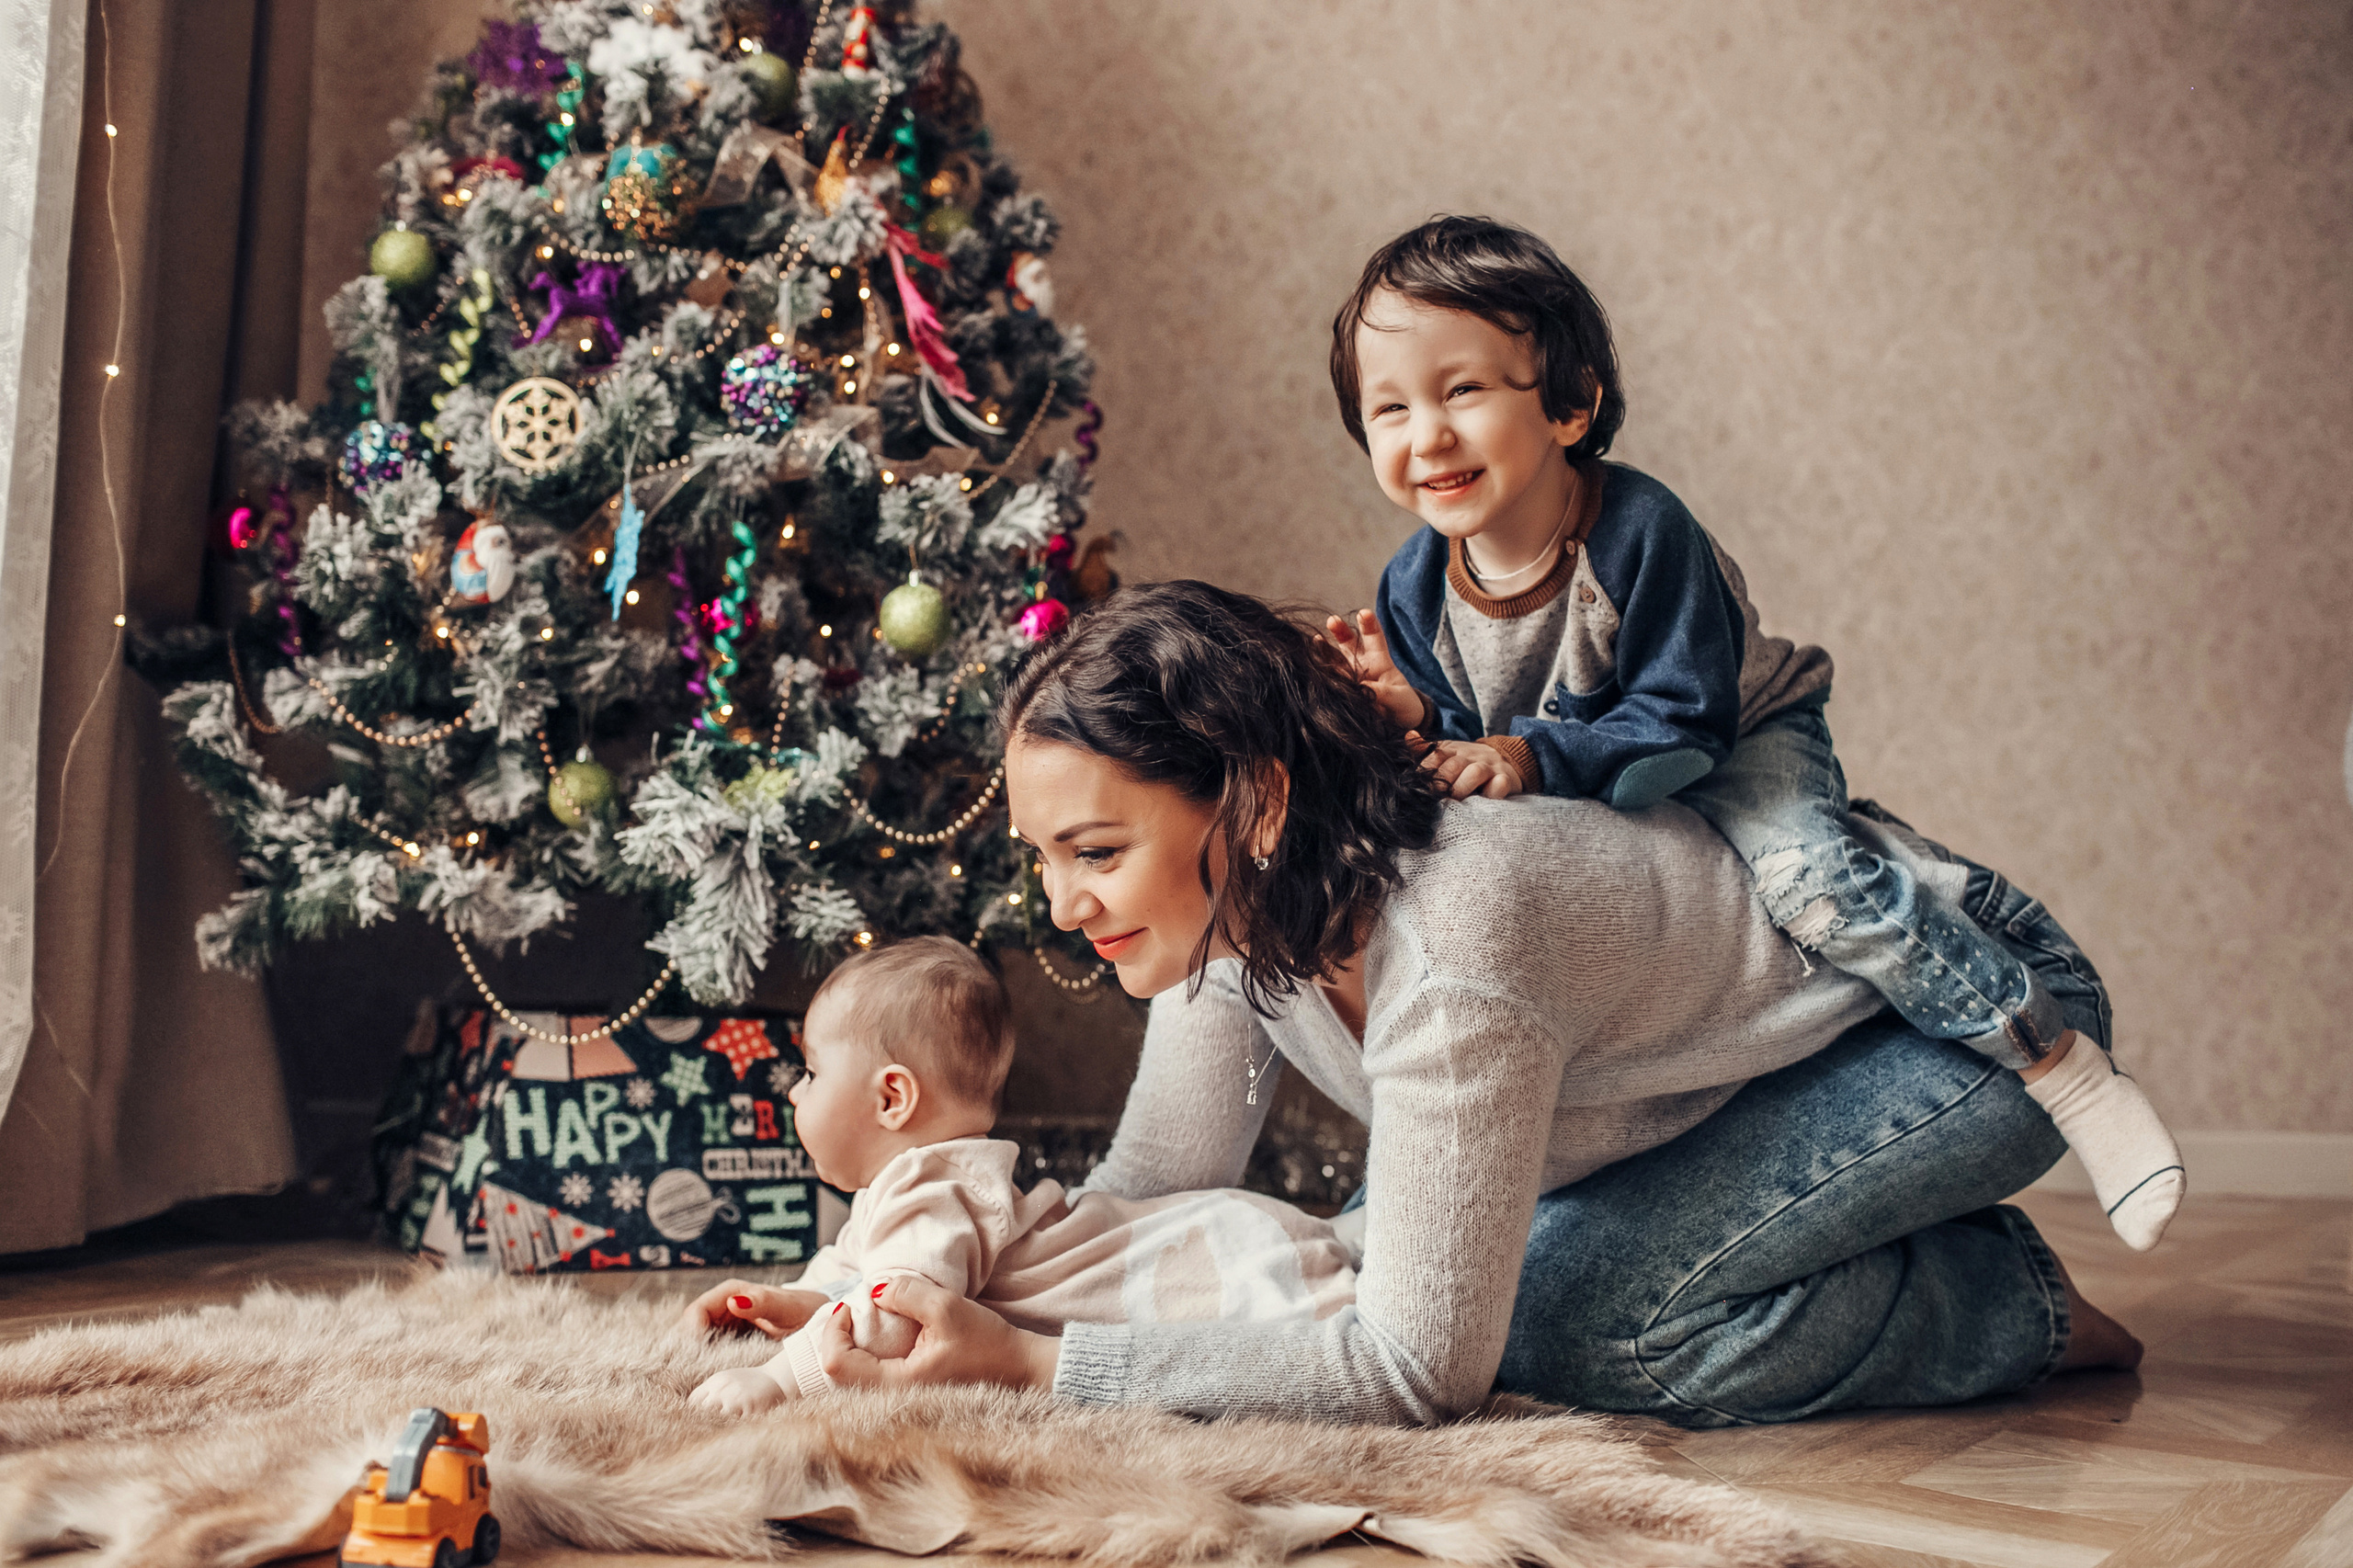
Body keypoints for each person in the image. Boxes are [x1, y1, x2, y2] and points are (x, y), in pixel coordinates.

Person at [682, 581, 2143, 1428]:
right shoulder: (1235, 912)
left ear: (1254, 800)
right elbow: (1154, 1189)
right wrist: (894, 1292)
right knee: (1378, 1266)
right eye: (1044, 858)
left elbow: (1416, 1371)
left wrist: (1036, 1363)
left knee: (1564, 1329)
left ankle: (2000, 1302)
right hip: (1691, 1083)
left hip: (1959, 1023)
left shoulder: (1452, 935)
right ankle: (1823, 1235)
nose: (1061, 904)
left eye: (1098, 851)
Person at [1320, 215, 2182, 1250]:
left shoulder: (1642, 533)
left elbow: (1679, 724)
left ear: (1569, 404)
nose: (1426, 435)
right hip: (1592, 770)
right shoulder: (1413, 585)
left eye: (1462, 390)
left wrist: (1523, 756)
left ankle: (2058, 1063)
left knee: (1814, 883)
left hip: (1729, 740)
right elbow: (1476, 747)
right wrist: (1416, 717)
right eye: (1390, 407)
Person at [685, 935, 1356, 1415]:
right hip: (1232, 1230)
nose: (794, 1092)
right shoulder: (905, 1188)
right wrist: (793, 1302)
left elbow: (895, 1321)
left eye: (811, 1072)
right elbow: (863, 1271)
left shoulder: (932, 1188)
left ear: (892, 1098)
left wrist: (778, 1381)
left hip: (1240, 1258)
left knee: (1302, 1301)